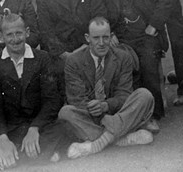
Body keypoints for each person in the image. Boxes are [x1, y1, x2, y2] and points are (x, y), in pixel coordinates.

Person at [0, 14, 68, 170]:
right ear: (1, 36)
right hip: (10, 129)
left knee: (63, 128)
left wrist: (34, 129)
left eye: (19, 33)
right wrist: (2, 140)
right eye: (9, 35)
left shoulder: (43, 58)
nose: (15, 39)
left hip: (37, 126)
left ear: (26, 32)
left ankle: (1, 162)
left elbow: (51, 100)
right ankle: (38, 155)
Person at [59, 17, 155, 159]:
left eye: (105, 37)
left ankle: (98, 143)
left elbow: (124, 95)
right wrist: (95, 107)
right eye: (96, 38)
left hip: (116, 112)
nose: (102, 43)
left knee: (144, 95)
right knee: (65, 113)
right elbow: (76, 99)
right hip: (90, 114)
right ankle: (121, 137)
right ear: (87, 38)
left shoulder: (123, 57)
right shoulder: (74, 60)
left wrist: (106, 106)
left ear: (111, 37)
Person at [99, 0, 173, 121]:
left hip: (147, 35)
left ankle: (154, 115)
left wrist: (154, 25)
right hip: (121, 38)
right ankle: (132, 115)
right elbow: (100, 12)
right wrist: (111, 34)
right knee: (123, 69)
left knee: (148, 64)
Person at [36, 0, 107, 97]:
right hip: (64, 53)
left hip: (92, 45)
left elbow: (99, 17)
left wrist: (89, 46)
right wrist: (65, 55)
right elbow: (46, 32)